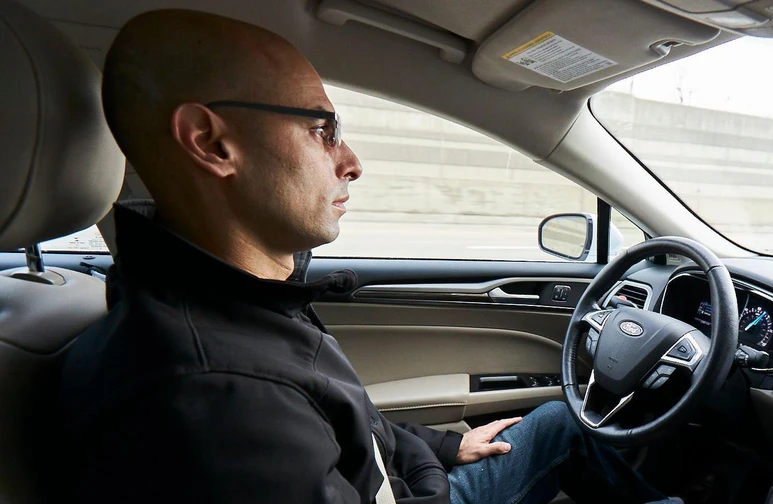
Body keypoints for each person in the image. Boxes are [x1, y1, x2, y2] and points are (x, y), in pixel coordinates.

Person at [58, 9, 679, 504]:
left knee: (558, 424)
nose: (352, 161)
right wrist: (430, 476)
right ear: (211, 142)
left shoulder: (234, 300)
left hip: (401, 481)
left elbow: (350, 428)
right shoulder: (219, 395)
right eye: (321, 130)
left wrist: (441, 447)